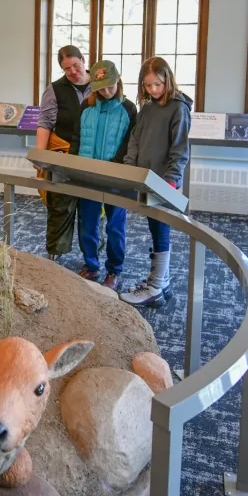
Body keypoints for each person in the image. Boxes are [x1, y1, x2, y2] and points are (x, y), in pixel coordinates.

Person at [120, 57, 192, 308]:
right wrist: (130, 168)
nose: (153, 90)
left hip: (164, 182)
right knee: (154, 228)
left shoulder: (178, 108)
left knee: (161, 231)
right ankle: (162, 281)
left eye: (158, 84)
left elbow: (180, 149)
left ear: (168, 80)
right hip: (144, 179)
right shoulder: (147, 108)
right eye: (148, 85)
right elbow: (135, 140)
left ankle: (155, 287)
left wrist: (171, 180)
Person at [74, 60, 137, 290]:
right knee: (88, 223)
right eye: (100, 87)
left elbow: (131, 143)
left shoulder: (129, 109)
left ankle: (114, 270)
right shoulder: (86, 107)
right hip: (88, 174)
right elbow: (77, 138)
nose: (106, 91)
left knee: (115, 225)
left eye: (110, 86)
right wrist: (73, 165)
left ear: (118, 81)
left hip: (114, 177)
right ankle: (91, 265)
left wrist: (115, 165)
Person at [35, 45, 93, 258]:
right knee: (60, 205)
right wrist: (40, 154)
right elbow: (45, 122)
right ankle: (55, 253)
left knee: (91, 209)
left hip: (91, 154)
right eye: (67, 69)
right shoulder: (54, 89)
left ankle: (91, 259)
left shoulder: (100, 84)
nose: (73, 72)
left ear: (83, 60)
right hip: (63, 152)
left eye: (76, 66)